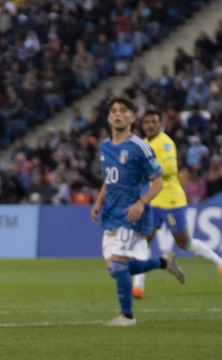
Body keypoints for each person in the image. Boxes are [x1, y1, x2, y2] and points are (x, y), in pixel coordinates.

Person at [89, 96, 185, 327]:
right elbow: (109, 180)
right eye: (113, 111)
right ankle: (164, 262)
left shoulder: (140, 147)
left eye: (123, 111)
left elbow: (158, 182)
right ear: (109, 117)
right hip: (111, 213)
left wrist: (141, 203)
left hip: (132, 213)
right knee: (115, 270)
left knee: (120, 265)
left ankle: (127, 316)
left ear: (132, 117)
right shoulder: (104, 147)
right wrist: (99, 202)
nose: (117, 114)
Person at [132, 109, 222, 298]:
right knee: (144, 241)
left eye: (153, 122)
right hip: (152, 200)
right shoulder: (145, 143)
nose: (149, 125)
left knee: (184, 243)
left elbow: (171, 168)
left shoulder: (165, 142)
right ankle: (138, 287)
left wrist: (147, 169)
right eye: (146, 122)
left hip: (171, 200)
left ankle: (218, 262)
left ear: (160, 124)